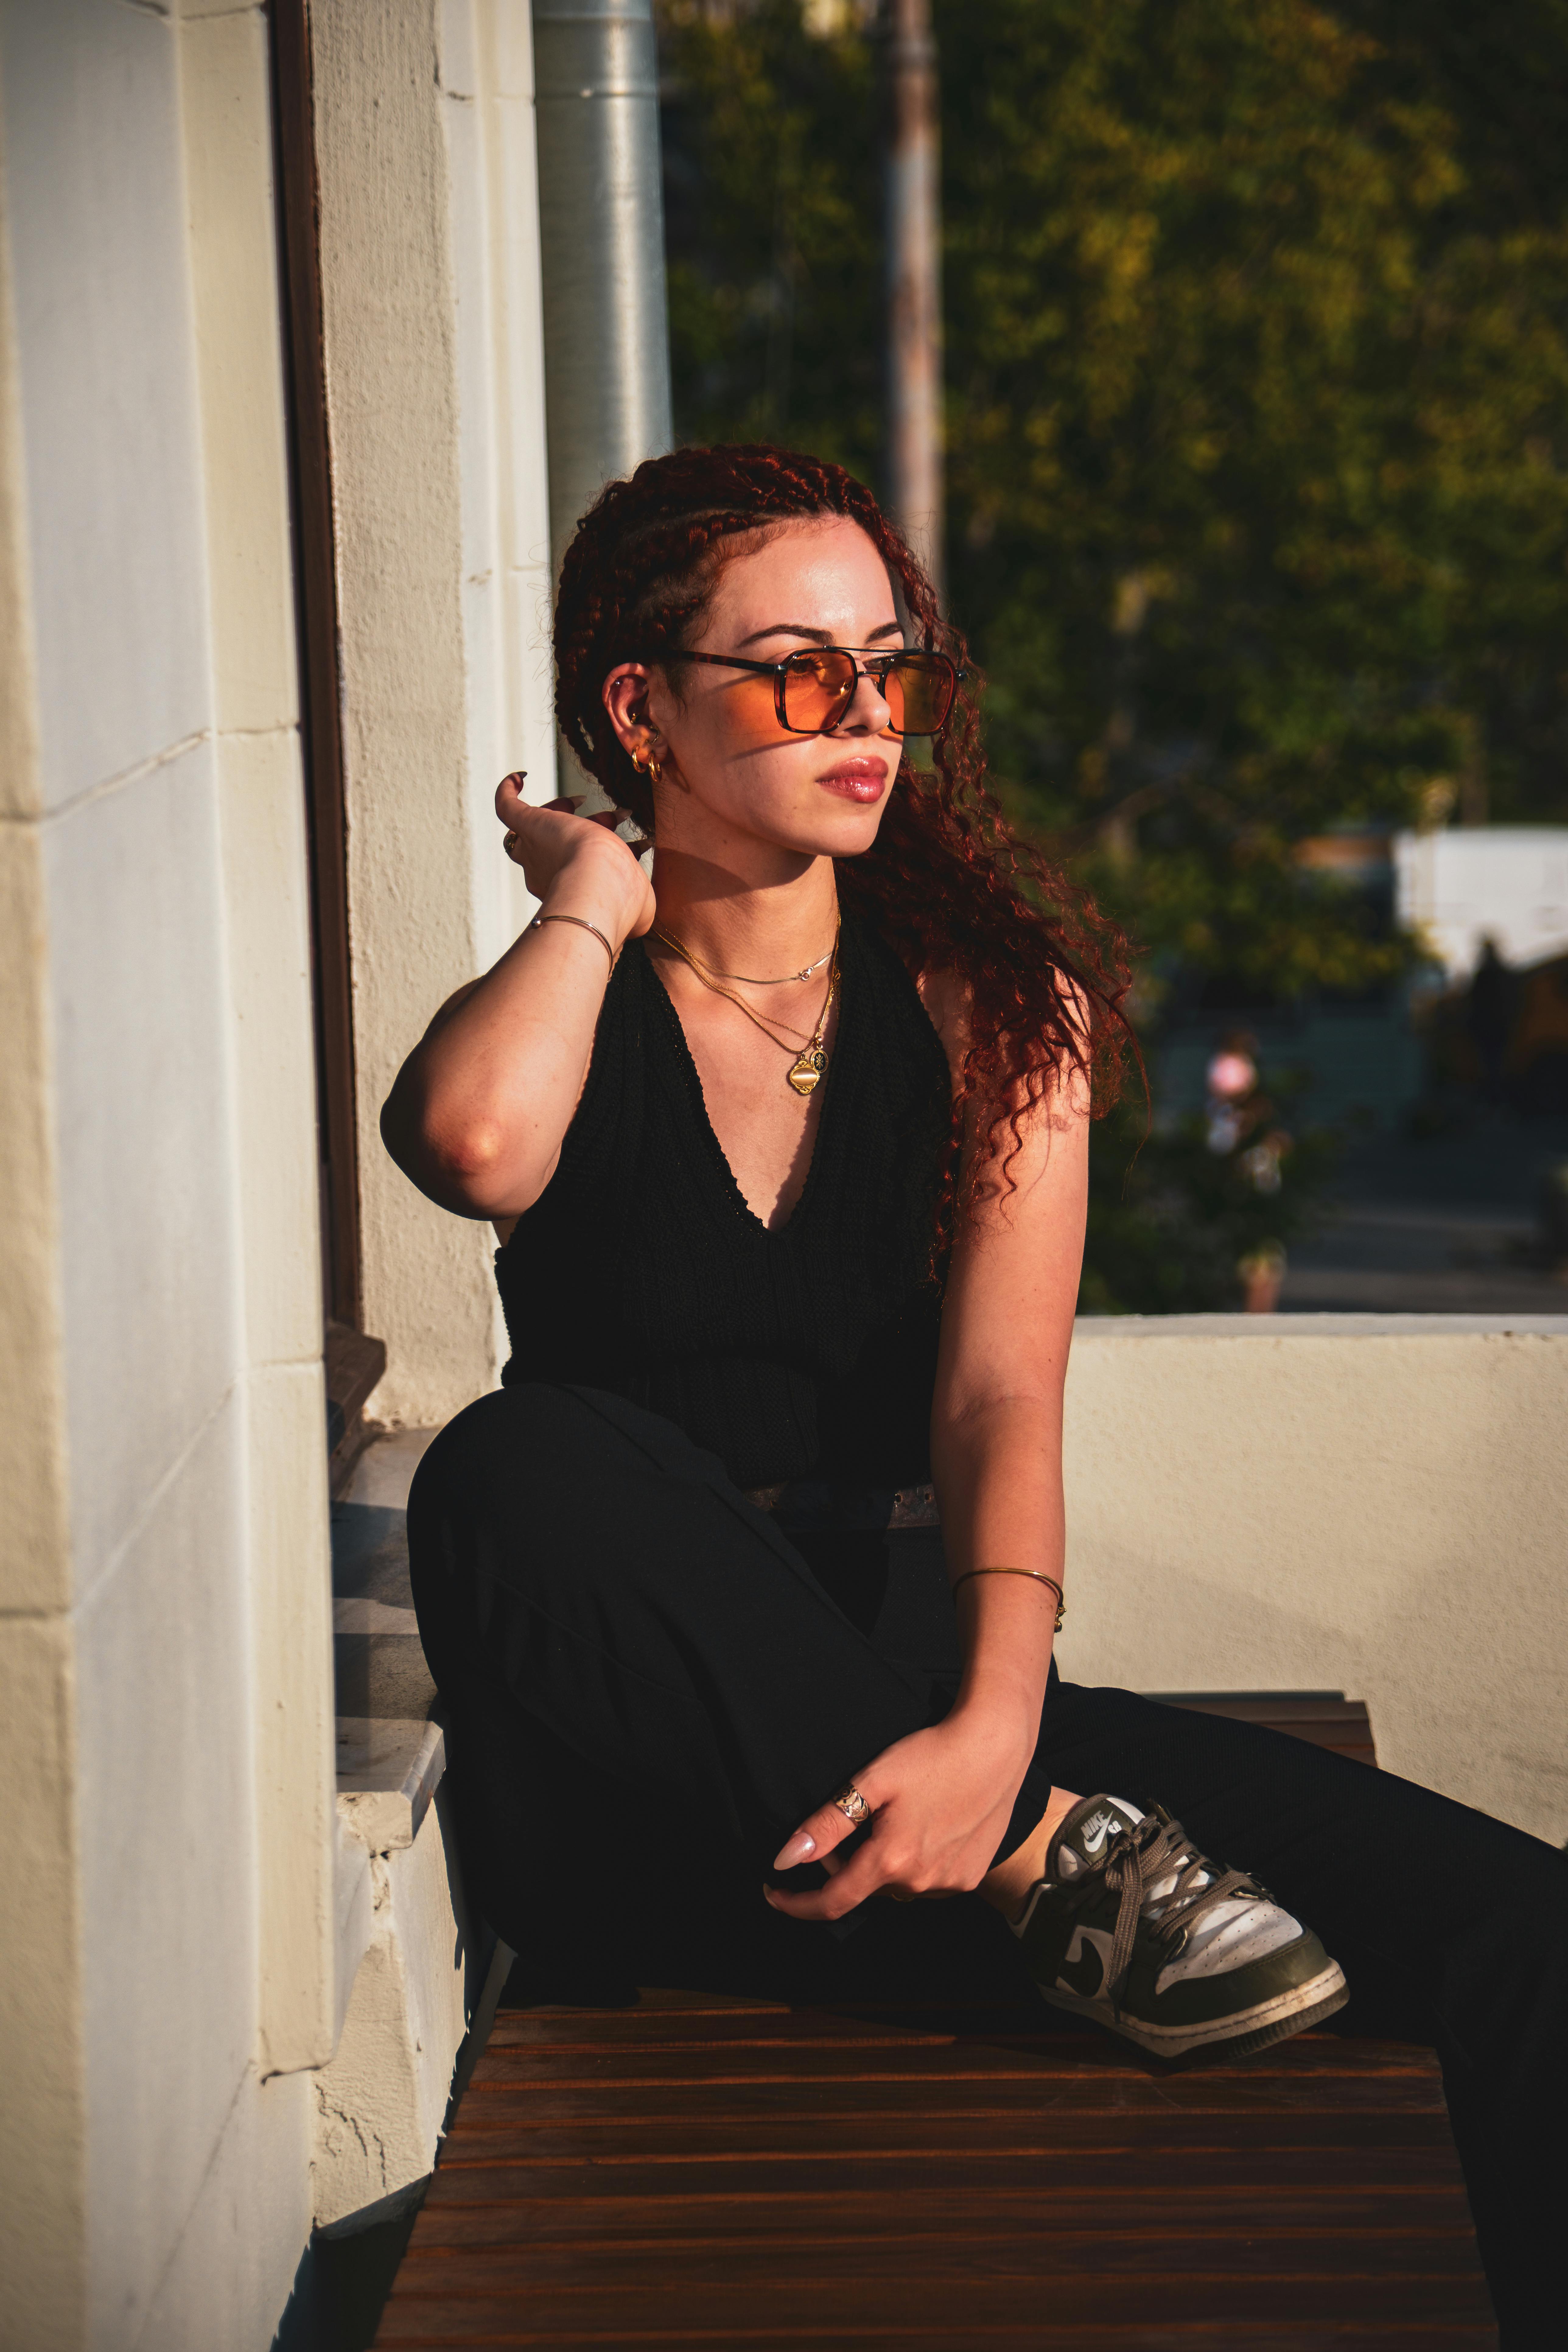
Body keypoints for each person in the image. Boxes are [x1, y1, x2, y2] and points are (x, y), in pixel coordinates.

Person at [382, 445, 1562, 2341]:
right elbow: (467, 1143)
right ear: (640, 707)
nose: (866, 718)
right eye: (794, 669)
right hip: (666, 1794)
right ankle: (1044, 1878)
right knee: (519, 1462)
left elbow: (1002, 1402)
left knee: (1531, 1937)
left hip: (950, 1728)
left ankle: (1035, 1859)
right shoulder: (571, 1001)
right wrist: (592, 901)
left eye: (890, 664)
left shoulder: (992, 1010)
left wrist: (1001, 1733)